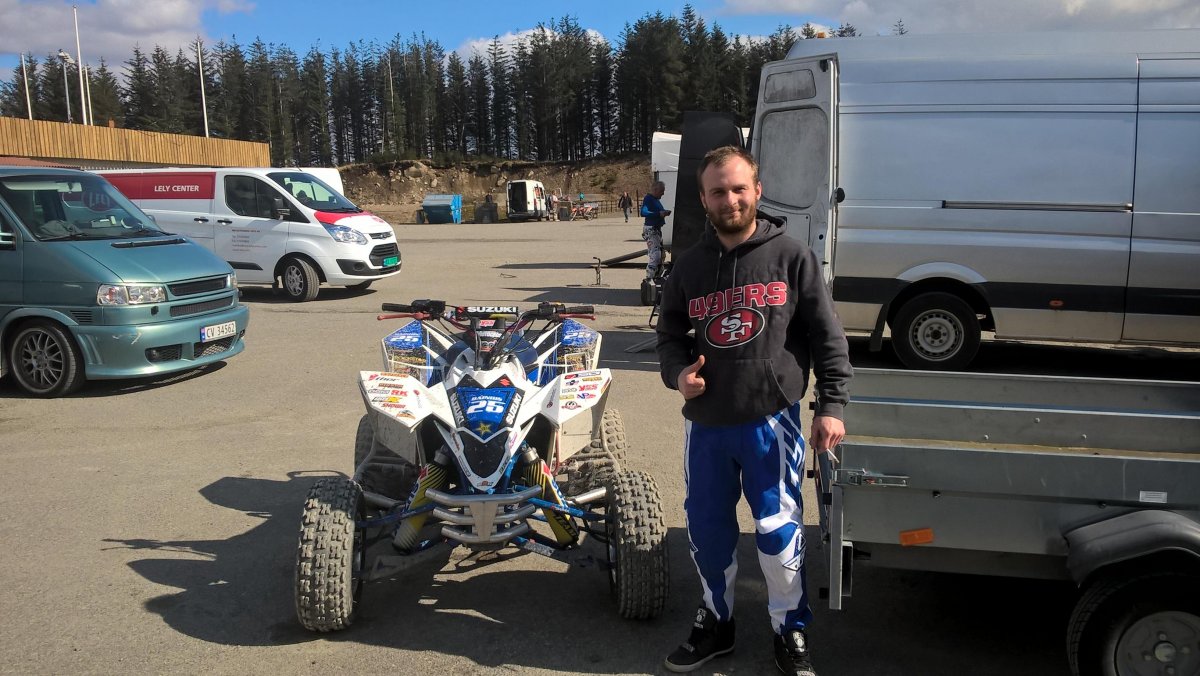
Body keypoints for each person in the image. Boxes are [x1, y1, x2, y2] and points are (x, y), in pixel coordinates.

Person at [655, 146, 851, 676]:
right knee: (706, 532)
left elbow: (828, 336)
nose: (730, 199)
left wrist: (831, 404)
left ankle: (789, 629)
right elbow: (669, 335)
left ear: (758, 191)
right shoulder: (688, 266)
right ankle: (717, 623)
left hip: (772, 421)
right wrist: (678, 375)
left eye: (739, 188)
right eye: (718, 191)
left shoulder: (791, 257)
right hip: (707, 426)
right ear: (703, 199)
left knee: (777, 532)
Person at [640, 181, 670, 279]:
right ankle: (649, 278)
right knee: (656, 255)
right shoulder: (648, 198)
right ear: (655, 190)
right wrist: (659, 214)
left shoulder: (656, 200)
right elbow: (643, 212)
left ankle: (657, 277)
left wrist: (664, 213)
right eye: (661, 191)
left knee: (661, 255)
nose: (663, 193)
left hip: (656, 230)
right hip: (651, 230)